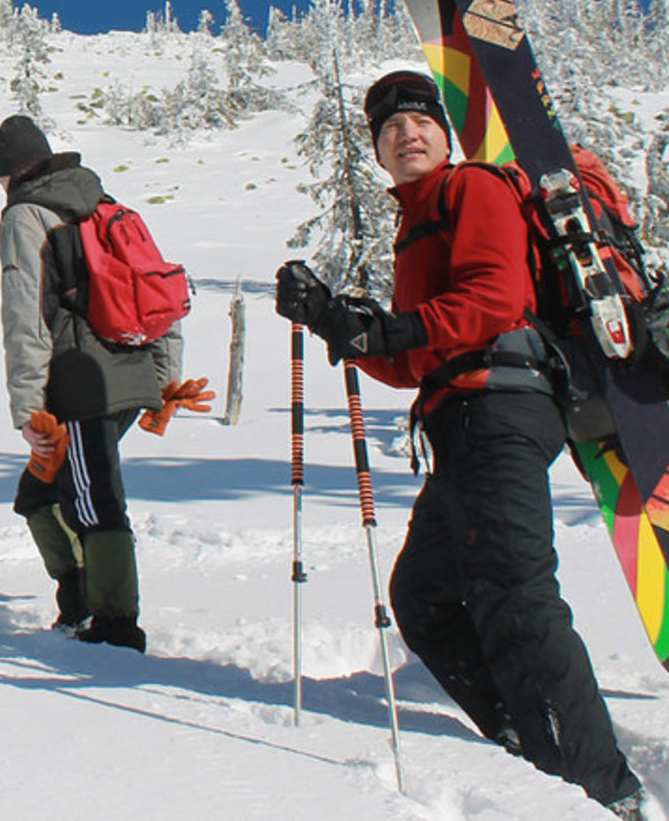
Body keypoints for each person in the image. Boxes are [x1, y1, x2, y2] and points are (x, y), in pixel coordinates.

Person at [275, 70, 644, 818]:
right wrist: (335, 321)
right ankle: (523, 739)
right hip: (460, 420)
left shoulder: (471, 188)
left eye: (419, 123)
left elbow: (492, 301)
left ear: (445, 136)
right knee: (425, 598)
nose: (406, 135)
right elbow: (413, 359)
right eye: (389, 130)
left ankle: (602, 790)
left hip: (501, 409)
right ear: (377, 152)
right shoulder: (416, 223)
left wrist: (391, 326)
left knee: (516, 595)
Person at [0, 114, 182, 650]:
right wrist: (164, 379)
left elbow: (24, 313)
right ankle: (79, 601)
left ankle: (115, 625)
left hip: (79, 382)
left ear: (9, 173)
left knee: (93, 497)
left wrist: (29, 406)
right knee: (39, 494)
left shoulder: (26, 216)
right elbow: (161, 294)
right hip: (129, 368)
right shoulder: (108, 205)